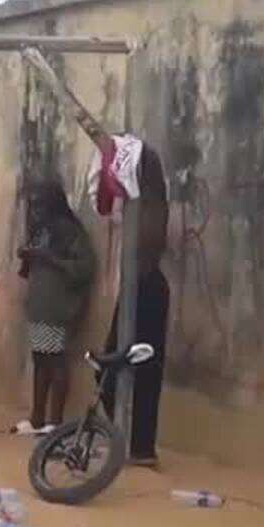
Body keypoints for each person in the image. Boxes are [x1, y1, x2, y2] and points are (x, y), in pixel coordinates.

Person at [98, 142, 170, 468]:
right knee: (114, 366)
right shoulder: (135, 204)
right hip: (136, 287)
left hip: (145, 288)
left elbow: (145, 253)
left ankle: (139, 446)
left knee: (136, 368)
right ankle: (129, 440)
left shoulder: (149, 207)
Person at [18, 180, 96, 433]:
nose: (36, 210)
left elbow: (84, 269)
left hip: (58, 306)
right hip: (39, 305)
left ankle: (55, 422)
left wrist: (49, 259)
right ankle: (37, 418)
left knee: (56, 361)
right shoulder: (41, 230)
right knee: (40, 360)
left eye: (40, 204)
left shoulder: (70, 231)